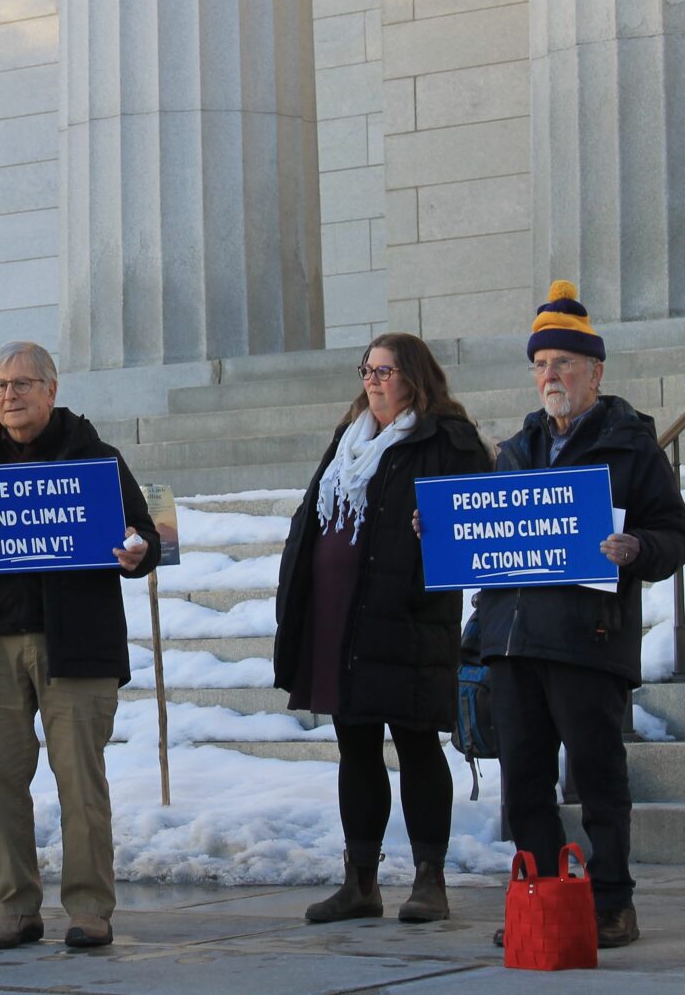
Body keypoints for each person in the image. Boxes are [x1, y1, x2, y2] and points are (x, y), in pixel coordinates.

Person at [0, 341, 158, 951]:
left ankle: (90, 908)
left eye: (22, 384)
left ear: (51, 390)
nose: (9, 396)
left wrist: (136, 550)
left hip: (76, 646)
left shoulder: (96, 459)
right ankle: (16, 907)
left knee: (80, 781)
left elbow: (142, 535)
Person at [479, 281, 685, 949]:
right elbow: (497, 542)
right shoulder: (516, 449)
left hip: (589, 641)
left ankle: (612, 902)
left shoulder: (632, 447)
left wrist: (638, 548)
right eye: (541, 364)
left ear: (595, 371)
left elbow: (674, 534)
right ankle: (543, 901)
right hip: (515, 643)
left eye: (563, 363)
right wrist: (450, 534)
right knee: (526, 785)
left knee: (598, 779)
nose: (550, 376)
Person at [272, 333, 490, 924]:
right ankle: (360, 882)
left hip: (408, 617)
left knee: (417, 744)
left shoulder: (448, 439)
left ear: (415, 377)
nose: (372, 380)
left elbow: (477, 522)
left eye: (385, 371)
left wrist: (437, 528)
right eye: (366, 369)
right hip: (340, 617)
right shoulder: (350, 437)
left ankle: (429, 882)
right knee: (356, 747)